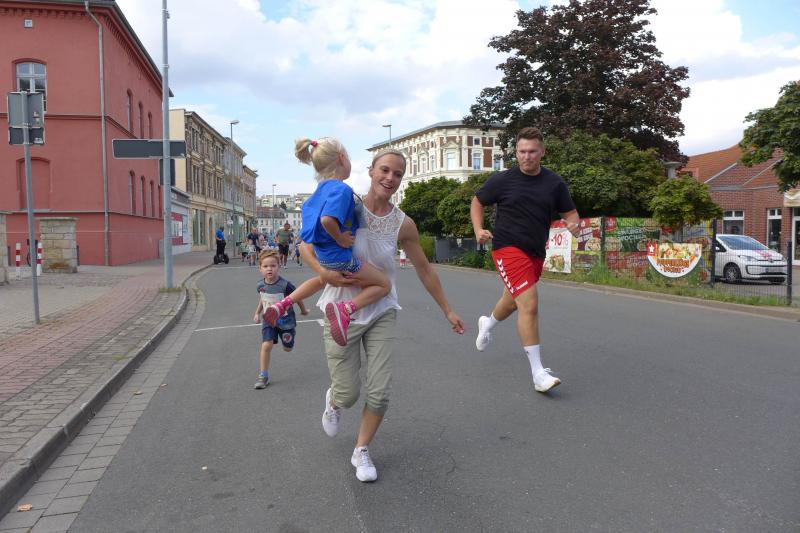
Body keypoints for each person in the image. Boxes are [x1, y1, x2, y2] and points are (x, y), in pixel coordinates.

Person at [301, 148, 465, 483]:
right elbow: (306, 243)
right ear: (371, 171)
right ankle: (335, 400)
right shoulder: (347, 204)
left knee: (379, 392)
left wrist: (447, 309)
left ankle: (361, 449)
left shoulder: (403, 224)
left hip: (381, 310)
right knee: (348, 393)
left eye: (397, 174)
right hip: (338, 308)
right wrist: (323, 272)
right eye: (385, 170)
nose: (390, 178)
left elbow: (424, 269)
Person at [470, 127, 580, 393]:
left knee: (512, 302)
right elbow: (477, 201)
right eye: (522, 151)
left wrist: (573, 224)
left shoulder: (554, 183)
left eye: (532, 151)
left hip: (536, 252)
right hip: (507, 248)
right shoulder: (503, 180)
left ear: (542, 152)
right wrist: (478, 229)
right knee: (529, 304)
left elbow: (570, 213)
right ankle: (538, 373)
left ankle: (488, 323)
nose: (526, 156)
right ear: (515, 153)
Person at [263, 137, 392, 347]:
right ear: (341, 158)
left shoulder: (318, 192)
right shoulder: (341, 189)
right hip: (340, 258)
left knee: (321, 280)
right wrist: (341, 237)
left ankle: (283, 304)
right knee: (383, 284)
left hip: (323, 256)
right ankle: (346, 309)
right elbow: (327, 220)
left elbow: (310, 227)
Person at [252, 249, 308, 388]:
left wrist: (303, 310)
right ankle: (263, 375)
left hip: (286, 322)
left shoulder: (285, 285)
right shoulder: (260, 285)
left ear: (279, 266)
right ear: (260, 269)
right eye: (265, 266)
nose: (269, 269)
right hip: (269, 320)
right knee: (266, 345)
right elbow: (263, 299)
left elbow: (297, 297)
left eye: (273, 266)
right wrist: (257, 313)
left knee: (287, 349)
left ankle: (288, 340)